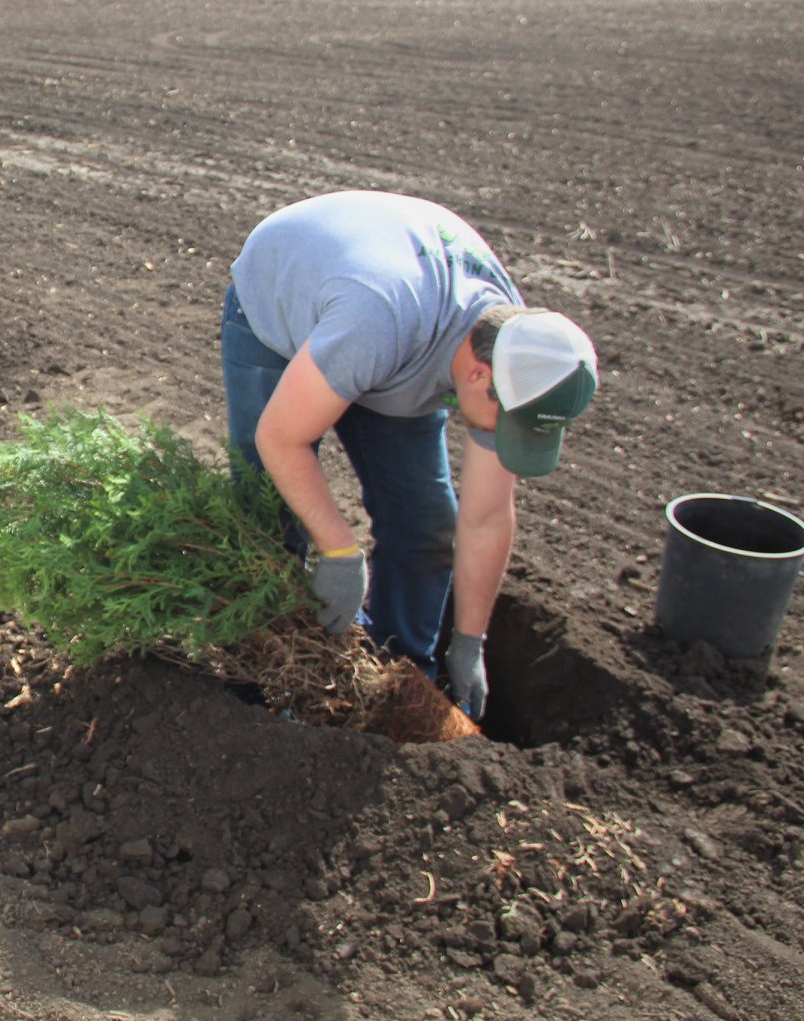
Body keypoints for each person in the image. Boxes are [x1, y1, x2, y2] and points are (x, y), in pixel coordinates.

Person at [221, 190, 598, 720]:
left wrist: (469, 641)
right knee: (270, 509)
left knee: (423, 524)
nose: (500, 437)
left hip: (396, 349)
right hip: (285, 301)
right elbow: (280, 438)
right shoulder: (381, 318)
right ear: (476, 375)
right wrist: (339, 550)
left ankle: (397, 682)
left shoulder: (518, 353)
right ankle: (264, 675)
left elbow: (486, 517)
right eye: (504, 425)